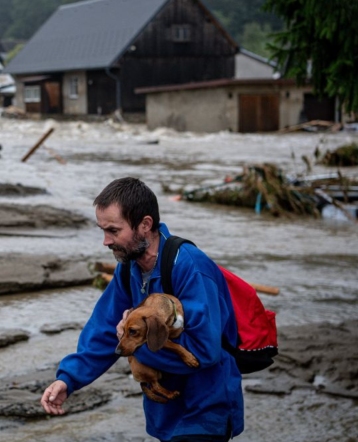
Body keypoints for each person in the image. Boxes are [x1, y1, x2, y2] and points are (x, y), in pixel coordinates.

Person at [40, 177, 244, 441]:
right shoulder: (130, 267)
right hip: (165, 411)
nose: (105, 241)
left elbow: (205, 351)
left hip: (205, 412)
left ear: (145, 225)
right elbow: (104, 328)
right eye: (102, 230)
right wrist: (68, 379)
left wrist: (135, 340)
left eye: (113, 231)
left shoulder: (191, 267)